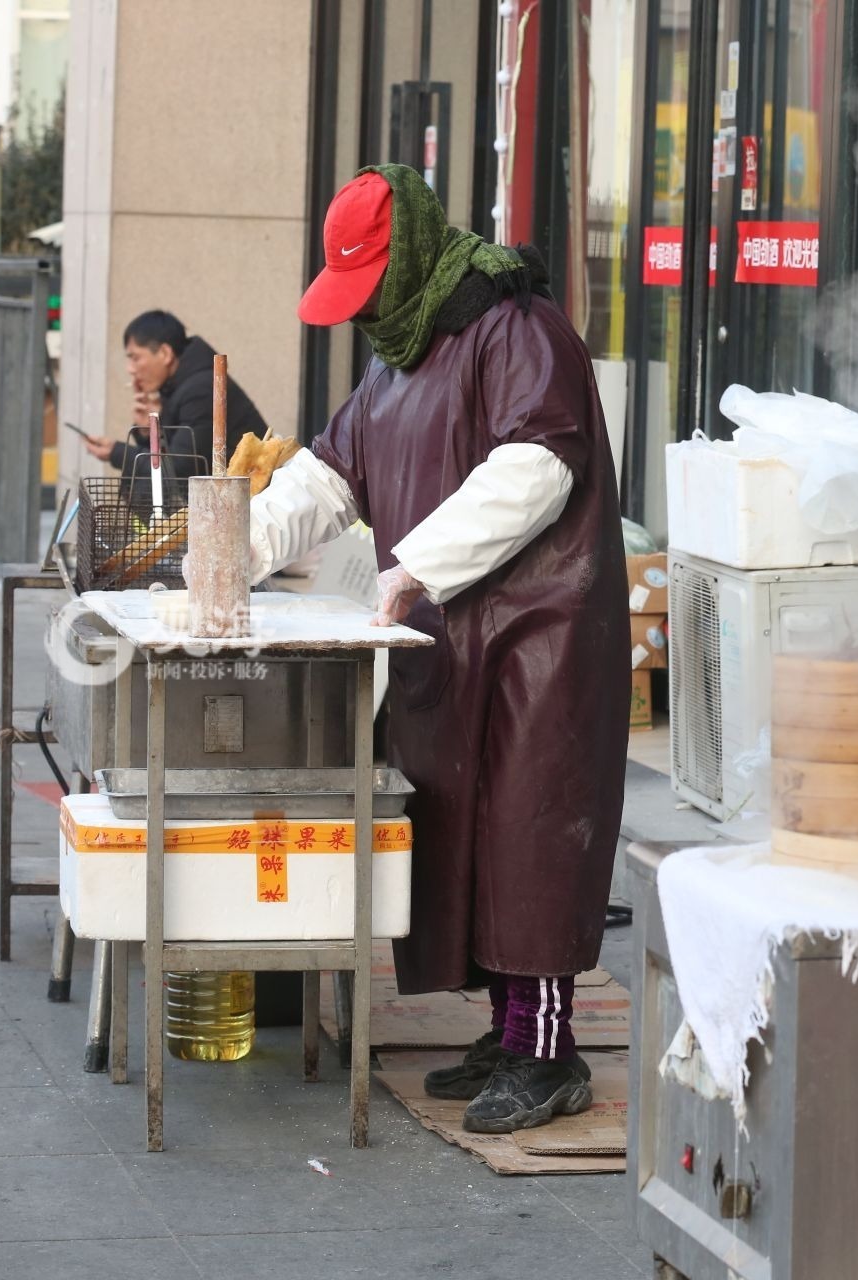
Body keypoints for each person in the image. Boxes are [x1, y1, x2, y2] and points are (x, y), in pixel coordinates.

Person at [243, 165, 628, 1133]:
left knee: (531, 842)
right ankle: (508, 1033)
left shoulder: (518, 329)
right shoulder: (399, 358)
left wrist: (411, 566)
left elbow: (538, 464)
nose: (364, 311)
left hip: (539, 639)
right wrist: (230, 552)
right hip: (451, 644)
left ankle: (548, 1052)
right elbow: (325, 477)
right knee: (471, 840)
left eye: (370, 287)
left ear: (408, 258)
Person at [82, 311, 270, 476]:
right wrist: (149, 432)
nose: (130, 369)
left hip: (250, 504)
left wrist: (116, 453)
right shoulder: (180, 385)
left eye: (135, 357)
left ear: (165, 353)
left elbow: (179, 470)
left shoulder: (201, 390)